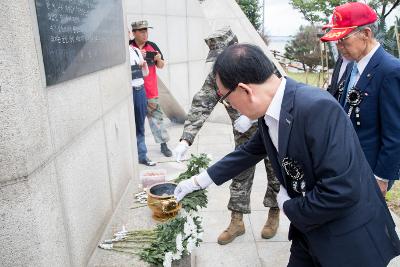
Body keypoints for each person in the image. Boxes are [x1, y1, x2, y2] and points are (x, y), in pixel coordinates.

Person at [174, 44, 400, 267]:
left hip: (346, 241)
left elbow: (340, 191)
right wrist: (198, 181)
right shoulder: (272, 108)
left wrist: (287, 205)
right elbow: (249, 151)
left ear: (245, 90)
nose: (229, 104)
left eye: (225, 97)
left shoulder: (317, 108)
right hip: (309, 231)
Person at [173, 27, 280, 245]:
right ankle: (237, 221)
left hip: (270, 130)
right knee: (239, 173)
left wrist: (250, 118)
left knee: (275, 173)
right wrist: (186, 139)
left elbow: (277, 93)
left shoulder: (256, 63)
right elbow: (201, 103)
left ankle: (274, 212)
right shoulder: (219, 74)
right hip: (244, 137)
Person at [320, 2, 400, 196]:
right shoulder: (351, 66)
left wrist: (381, 177)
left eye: (344, 40)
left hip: (369, 168)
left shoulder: (389, 70)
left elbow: (395, 132)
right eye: (336, 41)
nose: (339, 47)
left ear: (366, 33)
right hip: (345, 163)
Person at [131, 20, 173, 160]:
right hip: (134, 92)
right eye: (142, 31)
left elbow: (161, 66)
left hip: (150, 91)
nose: (145, 34)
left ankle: (163, 145)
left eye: (146, 31)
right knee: (137, 121)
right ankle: (138, 149)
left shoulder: (152, 46)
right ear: (134, 33)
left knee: (157, 119)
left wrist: (158, 59)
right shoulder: (129, 47)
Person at [128, 29, 155, 166]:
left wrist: (143, 64)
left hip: (140, 90)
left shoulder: (136, 51)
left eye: (126, 32)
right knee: (129, 126)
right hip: (129, 92)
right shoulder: (120, 53)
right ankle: (131, 156)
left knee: (140, 124)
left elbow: (145, 72)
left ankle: (142, 155)